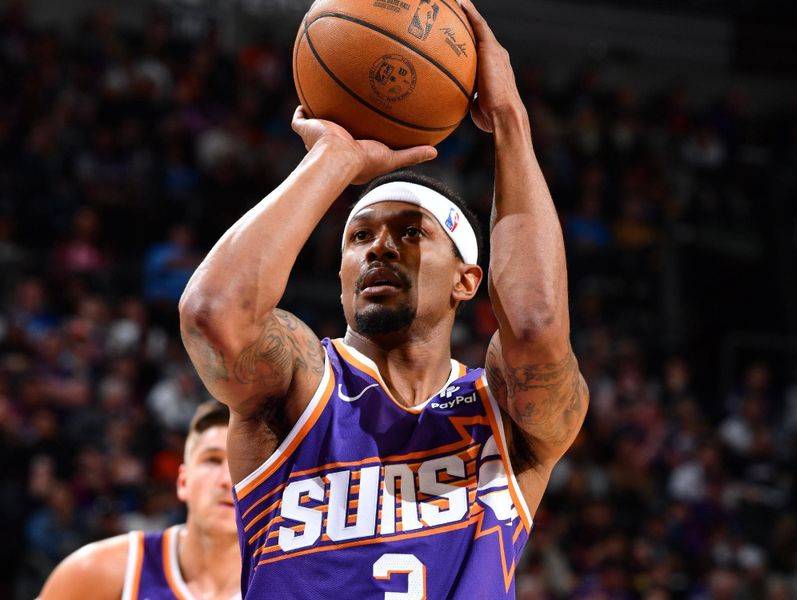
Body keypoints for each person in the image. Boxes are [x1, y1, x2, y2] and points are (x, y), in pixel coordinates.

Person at [179, 1, 588, 598]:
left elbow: (537, 325)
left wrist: (509, 120)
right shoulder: (301, 384)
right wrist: (333, 159)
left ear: (467, 281)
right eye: (359, 236)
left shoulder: (503, 412)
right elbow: (213, 312)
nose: (379, 248)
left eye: (411, 232)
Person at [39, 401, 241, 600]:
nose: (227, 479)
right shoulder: (97, 569)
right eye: (213, 460)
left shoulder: (272, 586)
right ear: (183, 481)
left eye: (243, 465)